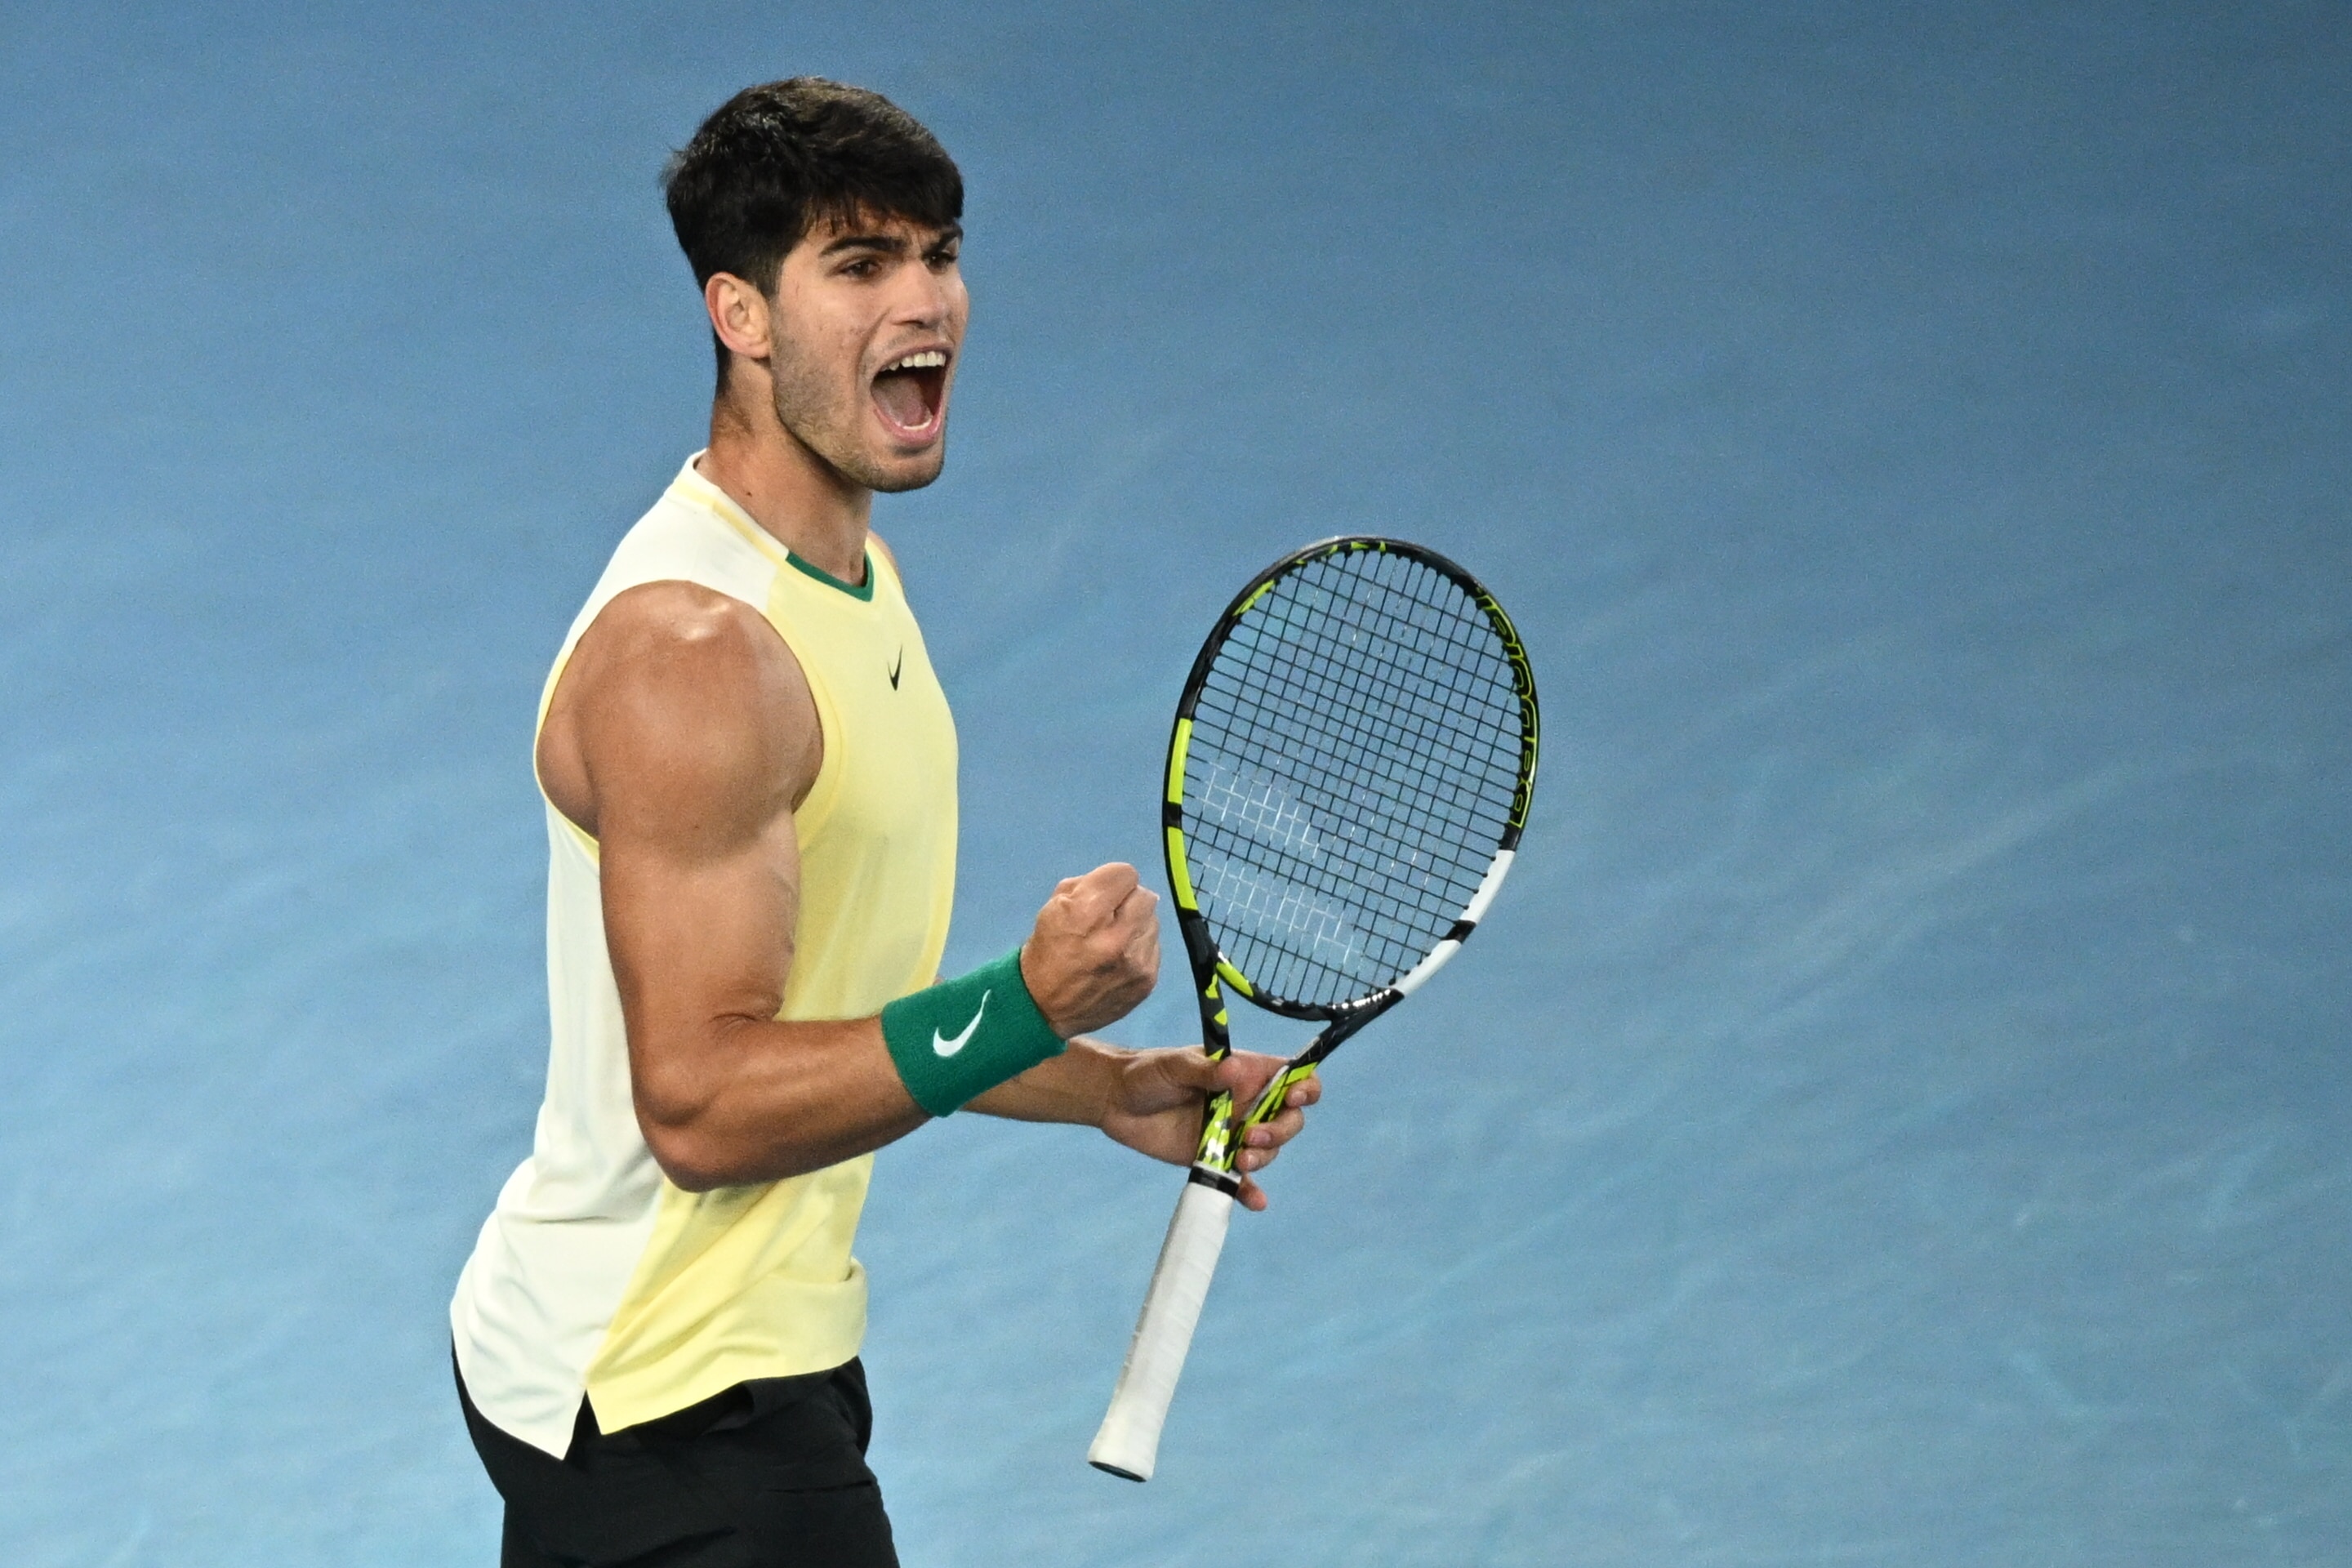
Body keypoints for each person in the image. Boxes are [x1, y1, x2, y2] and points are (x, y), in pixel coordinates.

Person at [448, 78, 1318, 1567]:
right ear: (744, 315)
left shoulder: (848, 572)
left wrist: (1096, 1080)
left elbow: (827, 1007)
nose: (926, 301)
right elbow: (704, 1107)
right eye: (860, 265)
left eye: (940, 252)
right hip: (665, 1396)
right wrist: (1021, 1002)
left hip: (736, 1352)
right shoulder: (696, 661)